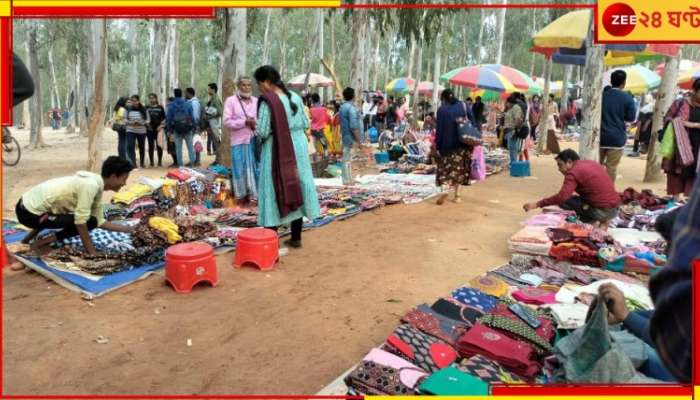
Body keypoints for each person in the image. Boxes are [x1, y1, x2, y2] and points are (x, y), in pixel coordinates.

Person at [253, 65, 321, 249]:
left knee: (273, 185)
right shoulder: (295, 97)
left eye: (259, 84)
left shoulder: (269, 101)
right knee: (296, 185)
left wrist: (252, 124)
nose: (259, 88)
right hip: (298, 144)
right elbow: (306, 122)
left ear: (265, 82)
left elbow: (263, 131)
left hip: (278, 146)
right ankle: (296, 237)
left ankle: (270, 241)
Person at [16, 156, 135, 256]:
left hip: (26, 207)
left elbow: (99, 221)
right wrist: (92, 252)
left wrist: (129, 230)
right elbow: (81, 223)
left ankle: (26, 241)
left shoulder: (96, 184)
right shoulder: (91, 186)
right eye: (124, 179)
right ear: (113, 177)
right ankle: (39, 243)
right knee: (86, 221)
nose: (124, 184)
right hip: (29, 214)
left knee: (82, 217)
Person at [523, 149, 620, 227]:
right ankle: (600, 220)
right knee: (573, 199)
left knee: (566, 201)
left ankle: (591, 221)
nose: (559, 169)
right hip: (614, 208)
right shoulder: (590, 163)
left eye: (560, 165)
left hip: (604, 211)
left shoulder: (573, 172)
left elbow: (562, 197)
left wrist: (537, 204)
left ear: (569, 162)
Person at [223, 76, 259, 206]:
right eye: (243, 85)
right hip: (238, 141)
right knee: (239, 168)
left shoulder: (256, 101)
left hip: (253, 140)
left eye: (249, 85)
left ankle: (255, 196)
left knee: (255, 168)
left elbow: (262, 119)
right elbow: (227, 121)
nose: (246, 88)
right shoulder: (231, 101)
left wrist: (255, 123)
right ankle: (241, 197)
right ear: (238, 86)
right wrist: (244, 122)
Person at [662, 78, 700, 198]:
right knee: (677, 172)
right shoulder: (680, 103)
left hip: (698, 146)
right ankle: (675, 200)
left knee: (695, 173)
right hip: (680, 146)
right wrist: (685, 124)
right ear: (694, 90)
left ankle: (689, 203)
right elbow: (667, 118)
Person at [434, 89, 471, 205]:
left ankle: (445, 190)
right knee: (459, 169)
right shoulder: (464, 106)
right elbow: (473, 123)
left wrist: (438, 146)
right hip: (463, 143)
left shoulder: (442, 110)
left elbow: (439, 130)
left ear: (444, 98)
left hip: (446, 144)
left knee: (444, 168)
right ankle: (457, 196)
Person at [600, 70, 636, 182]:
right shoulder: (628, 98)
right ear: (624, 83)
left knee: (595, 166)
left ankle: (594, 191)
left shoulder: (601, 96)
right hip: (617, 138)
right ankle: (608, 193)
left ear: (611, 81)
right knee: (611, 168)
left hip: (599, 137)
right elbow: (631, 118)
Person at [339, 87, 369, 185]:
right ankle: (347, 180)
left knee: (348, 159)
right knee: (347, 159)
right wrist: (359, 140)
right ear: (353, 96)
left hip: (345, 136)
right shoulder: (351, 108)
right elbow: (353, 126)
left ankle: (349, 178)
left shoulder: (342, 107)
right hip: (350, 137)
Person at [166, 88, 195, 167]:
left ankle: (180, 166)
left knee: (178, 148)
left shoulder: (171, 105)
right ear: (181, 94)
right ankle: (192, 164)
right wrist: (193, 127)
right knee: (190, 147)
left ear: (174, 94)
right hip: (187, 129)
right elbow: (192, 117)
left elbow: (168, 118)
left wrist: (169, 130)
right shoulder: (188, 104)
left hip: (176, 129)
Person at [125, 94, 149, 168]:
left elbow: (148, 120)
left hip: (141, 131)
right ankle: (133, 163)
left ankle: (142, 163)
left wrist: (141, 123)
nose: (133, 102)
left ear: (138, 101)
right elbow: (124, 119)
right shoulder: (128, 109)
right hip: (130, 130)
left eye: (135, 101)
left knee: (141, 147)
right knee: (130, 146)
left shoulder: (144, 109)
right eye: (132, 101)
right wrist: (131, 123)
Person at [205, 83, 224, 165]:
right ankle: (217, 160)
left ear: (213, 89)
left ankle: (219, 160)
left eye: (209, 89)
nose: (208, 90)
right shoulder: (212, 99)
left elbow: (220, 112)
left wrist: (211, 115)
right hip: (211, 123)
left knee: (217, 142)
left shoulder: (216, 100)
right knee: (215, 142)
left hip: (215, 124)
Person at [503, 94, 525, 163]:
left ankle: (514, 163)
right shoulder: (511, 109)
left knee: (512, 147)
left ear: (510, 102)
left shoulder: (516, 108)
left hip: (513, 129)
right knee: (511, 147)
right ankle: (513, 162)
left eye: (507, 103)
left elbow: (517, 119)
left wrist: (514, 130)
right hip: (509, 129)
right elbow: (510, 117)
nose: (506, 104)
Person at [145, 93, 166, 168]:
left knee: (159, 145)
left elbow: (164, 118)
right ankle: (151, 162)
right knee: (150, 145)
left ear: (156, 99)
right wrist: (147, 126)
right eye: (150, 98)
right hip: (149, 129)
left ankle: (159, 162)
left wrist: (161, 126)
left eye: (153, 98)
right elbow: (144, 118)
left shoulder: (160, 107)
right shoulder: (146, 107)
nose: (152, 99)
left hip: (158, 129)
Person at [185, 87, 203, 167]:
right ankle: (195, 160)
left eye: (186, 93)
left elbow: (195, 115)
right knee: (194, 143)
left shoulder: (194, 103)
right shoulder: (192, 102)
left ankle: (196, 160)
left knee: (195, 142)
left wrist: (193, 124)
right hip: (194, 125)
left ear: (189, 93)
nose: (185, 94)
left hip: (194, 125)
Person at [309, 93, 330, 159]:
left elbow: (310, 118)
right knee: (325, 145)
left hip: (313, 130)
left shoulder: (311, 109)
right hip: (320, 130)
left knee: (314, 146)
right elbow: (327, 118)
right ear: (319, 99)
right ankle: (326, 159)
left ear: (312, 100)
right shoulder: (324, 109)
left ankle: (314, 160)